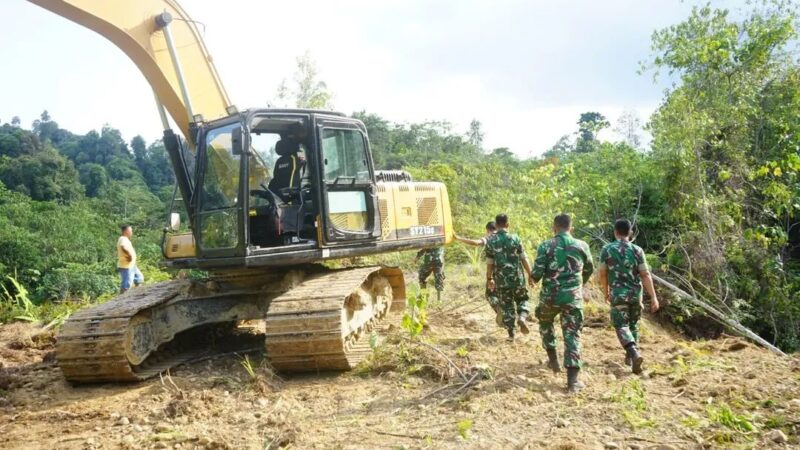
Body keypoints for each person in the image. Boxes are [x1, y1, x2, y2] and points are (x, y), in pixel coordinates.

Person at [530, 213, 593, 393]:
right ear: (570, 227)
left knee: (545, 322)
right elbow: (589, 269)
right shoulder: (582, 246)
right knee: (572, 334)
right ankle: (572, 381)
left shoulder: (546, 245)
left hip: (550, 296)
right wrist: (578, 283)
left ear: (554, 227)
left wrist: (533, 278)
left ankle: (553, 359)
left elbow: (537, 273)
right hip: (573, 298)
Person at [598, 219, 660, 374]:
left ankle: (633, 353)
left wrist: (605, 292)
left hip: (618, 294)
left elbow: (603, 274)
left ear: (615, 231)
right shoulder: (638, 250)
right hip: (635, 295)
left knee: (621, 325)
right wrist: (653, 297)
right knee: (633, 325)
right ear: (630, 232)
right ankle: (631, 360)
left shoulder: (607, 249)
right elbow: (645, 274)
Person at [484, 214, 533, 341]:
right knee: (522, 299)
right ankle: (522, 317)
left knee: (507, 306)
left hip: (501, 280)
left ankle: (511, 335)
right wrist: (530, 274)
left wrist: (489, 279)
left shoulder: (491, 241)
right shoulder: (515, 238)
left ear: (496, 224)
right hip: (517, 278)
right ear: (507, 224)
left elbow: (490, 263)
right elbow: (523, 258)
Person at [456, 221, 503, 327]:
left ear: (488, 230)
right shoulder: (508, 237)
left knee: (490, 295)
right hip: (511, 273)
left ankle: (501, 313)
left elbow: (476, 243)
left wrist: (459, 238)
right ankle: (514, 320)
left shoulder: (490, 238)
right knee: (506, 296)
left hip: (495, 274)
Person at [117, 224, 144, 294]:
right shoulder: (123, 239)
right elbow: (123, 247)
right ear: (126, 231)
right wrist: (129, 255)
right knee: (127, 284)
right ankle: (122, 298)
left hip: (131, 265)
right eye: (130, 231)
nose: (132, 232)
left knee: (139, 278)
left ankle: (138, 294)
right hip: (126, 266)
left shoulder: (125, 239)